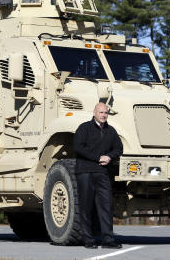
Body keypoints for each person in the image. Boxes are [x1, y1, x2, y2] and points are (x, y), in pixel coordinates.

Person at [73, 102, 123, 249]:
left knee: (106, 206)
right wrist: (97, 158)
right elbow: (78, 147)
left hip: (102, 173)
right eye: (101, 112)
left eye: (106, 113)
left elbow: (119, 148)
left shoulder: (111, 131)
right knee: (86, 206)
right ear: (94, 112)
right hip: (85, 172)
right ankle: (88, 240)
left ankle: (108, 240)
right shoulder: (84, 128)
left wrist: (109, 156)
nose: (104, 115)